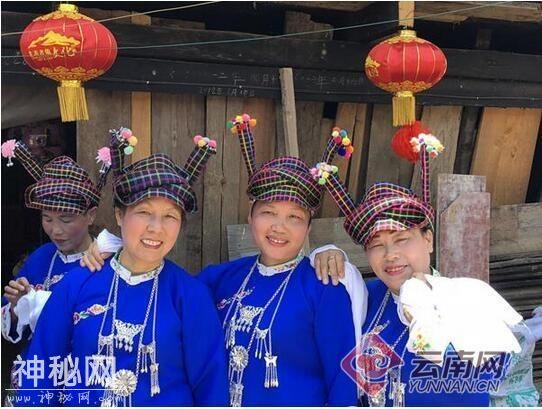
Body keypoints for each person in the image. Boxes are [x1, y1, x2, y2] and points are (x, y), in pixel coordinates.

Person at [83, 116, 366, 406]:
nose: (279, 227)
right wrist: (114, 247)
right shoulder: (220, 279)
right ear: (250, 218)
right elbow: (156, 284)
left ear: (308, 227)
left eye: (294, 217)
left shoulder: (324, 287)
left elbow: (343, 381)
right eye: (268, 213)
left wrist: (329, 250)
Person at [310, 123, 523, 406]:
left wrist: (426, 315)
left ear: (428, 240)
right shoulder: (363, 298)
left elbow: (489, 381)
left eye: (402, 240)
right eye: (377, 245)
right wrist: (324, 252)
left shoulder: (468, 298)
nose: (391, 255)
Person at [15, 130, 228, 406]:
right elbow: (41, 371)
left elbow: (211, 387)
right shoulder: (77, 284)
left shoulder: (189, 295)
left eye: (170, 216)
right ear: (119, 215)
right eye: (143, 212)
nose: (156, 228)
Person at [1, 138, 107, 393]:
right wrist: (16, 307)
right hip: (38, 373)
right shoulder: (41, 258)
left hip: (89, 378)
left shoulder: (109, 259)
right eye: (47, 219)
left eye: (66, 219)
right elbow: (10, 320)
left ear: (90, 215)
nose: (56, 230)